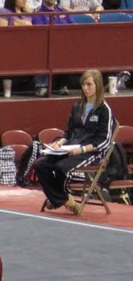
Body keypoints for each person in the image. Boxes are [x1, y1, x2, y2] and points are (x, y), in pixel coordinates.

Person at [36, 70, 116, 215]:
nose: (85, 88)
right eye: (83, 85)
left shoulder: (105, 110)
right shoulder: (77, 106)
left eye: (89, 84)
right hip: (71, 147)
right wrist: (59, 143)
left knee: (61, 167)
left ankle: (57, 199)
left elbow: (104, 141)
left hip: (91, 152)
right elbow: (69, 132)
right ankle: (64, 200)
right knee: (40, 164)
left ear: (98, 86)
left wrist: (82, 150)